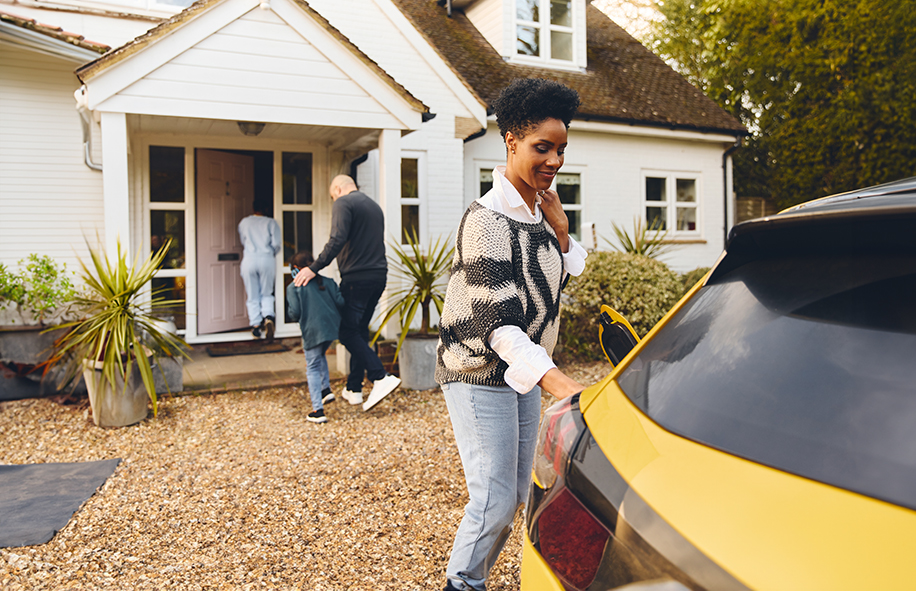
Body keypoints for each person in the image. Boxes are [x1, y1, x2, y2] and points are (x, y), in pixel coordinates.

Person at [435, 78, 589, 591]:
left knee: (517, 493)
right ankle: (462, 582)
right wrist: (560, 384)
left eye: (561, 149)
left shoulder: (539, 211)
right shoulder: (486, 222)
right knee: (495, 497)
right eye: (542, 148)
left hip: (518, 373)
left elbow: (562, 275)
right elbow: (497, 325)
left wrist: (561, 230)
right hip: (478, 370)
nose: (554, 160)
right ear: (511, 143)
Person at [293, 175, 401, 411]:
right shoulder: (373, 206)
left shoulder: (343, 202)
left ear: (338, 189)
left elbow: (337, 239)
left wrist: (313, 268)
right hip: (378, 276)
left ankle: (380, 377)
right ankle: (354, 389)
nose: (334, 200)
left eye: (333, 196)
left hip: (357, 279)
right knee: (360, 331)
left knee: (347, 332)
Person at [287, 251, 344, 424]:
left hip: (312, 330)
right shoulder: (328, 282)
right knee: (320, 356)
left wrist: (291, 314)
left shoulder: (294, 287)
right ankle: (325, 390)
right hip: (331, 329)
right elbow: (341, 303)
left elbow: (295, 313)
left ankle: (317, 410)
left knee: (312, 367)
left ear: (296, 269)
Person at [238, 200, 281, 341]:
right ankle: (268, 316)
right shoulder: (271, 223)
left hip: (249, 258)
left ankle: (255, 325)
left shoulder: (244, 222)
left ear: (253, 208)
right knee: (266, 292)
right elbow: (276, 244)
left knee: (252, 294)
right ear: (267, 208)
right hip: (266, 258)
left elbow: (243, 240)